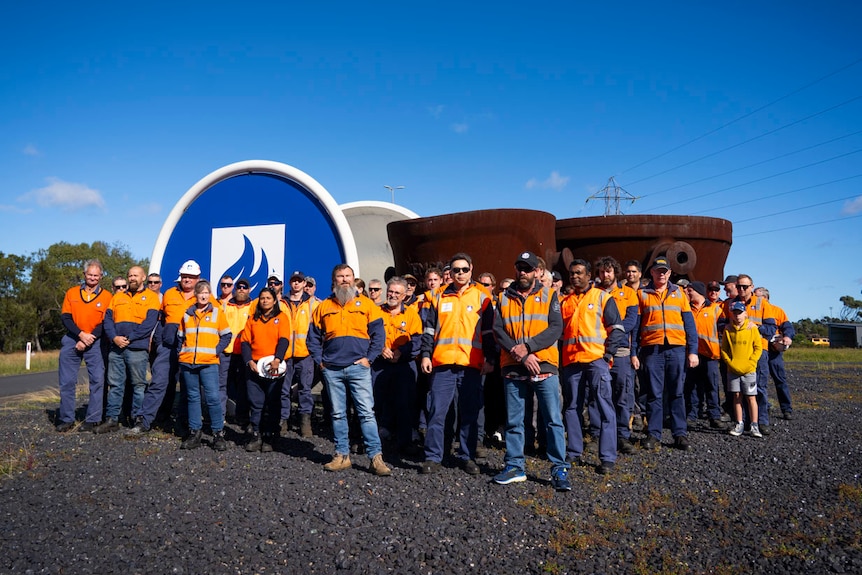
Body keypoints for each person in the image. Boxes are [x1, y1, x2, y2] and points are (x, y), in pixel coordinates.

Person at [492, 251, 570, 490]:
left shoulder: (549, 296)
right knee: (515, 421)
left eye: (527, 268)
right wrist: (522, 355)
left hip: (544, 364)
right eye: (519, 267)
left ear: (537, 271)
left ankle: (559, 468)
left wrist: (528, 347)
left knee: (553, 420)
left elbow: (556, 328)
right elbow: (498, 330)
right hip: (514, 366)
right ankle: (515, 466)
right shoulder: (504, 297)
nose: (522, 272)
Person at [307, 264, 391, 476]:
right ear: (333, 280)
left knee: (366, 414)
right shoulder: (323, 307)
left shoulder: (367, 305)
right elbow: (313, 339)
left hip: (358, 368)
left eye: (348, 276)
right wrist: (321, 362)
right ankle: (341, 456)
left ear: (354, 279)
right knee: (337, 414)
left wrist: (369, 359)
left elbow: (378, 335)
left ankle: (375, 458)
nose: (344, 280)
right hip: (332, 369)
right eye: (340, 277)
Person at [419, 253, 495, 476]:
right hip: (442, 364)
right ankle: (433, 457)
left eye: (464, 269)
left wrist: (490, 358)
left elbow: (489, 332)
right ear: (449, 273)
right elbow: (429, 330)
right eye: (456, 270)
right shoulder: (438, 296)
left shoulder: (483, 297)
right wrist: (425, 355)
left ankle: (467, 456)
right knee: (437, 412)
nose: (460, 273)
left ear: (471, 269)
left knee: (469, 413)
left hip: (471, 365)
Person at [560, 259, 625, 474]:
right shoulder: (565, 302)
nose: (574, 277)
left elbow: (616, 329)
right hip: (571, 362)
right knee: (572, 408)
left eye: (579, 273)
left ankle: (607, 457)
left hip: (596, 361)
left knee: (605, 407)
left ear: (589, 275)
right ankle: (574, 452)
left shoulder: (602, 298)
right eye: (571, 274)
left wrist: (607, 356)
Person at [635, 257, 699, 451]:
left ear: (669, 273)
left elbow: (690, 325)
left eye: (664, 271)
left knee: (677, 392)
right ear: (652, 273)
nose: (661, 274)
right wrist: (633, 353)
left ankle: (680, 434)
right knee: (654, 393)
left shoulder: (679, 294)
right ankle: (653, 434)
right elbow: (636, 327)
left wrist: (692, 351)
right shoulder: (642, 294)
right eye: (657, 270)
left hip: (676, 349)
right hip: (652, 350)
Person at [129, 260, 200, 435]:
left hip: (190, 347)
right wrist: (160, 340)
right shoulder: (169, 293)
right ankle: (144, 421)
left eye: (191, 277)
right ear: (180, 277)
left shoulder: (205, 296)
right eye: (185, 276)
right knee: (159, 382)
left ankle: (185, 423)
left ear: (198, 279)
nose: (187, 280)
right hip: (167, 345)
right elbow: (160, 319)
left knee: (187, 386)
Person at [95, 266, 160, 433]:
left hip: (137, 348)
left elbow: (149, 324)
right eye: (130, 275)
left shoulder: (152, 298)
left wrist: (130, 338)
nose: (132, 278)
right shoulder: (117, 298)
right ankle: (112, 419)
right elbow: (108, 320)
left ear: (143, 277)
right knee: (115, 385)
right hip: (116, 348)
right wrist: (114, 337)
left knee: (138, 385)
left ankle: (138, 419)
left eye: (136, 275)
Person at [56, 259, 112, 432]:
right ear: (84, 274)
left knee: (97, 380)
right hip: (73, 338)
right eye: (90, 274)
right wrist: (80, 335)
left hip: (95, 341)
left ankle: (93, 418)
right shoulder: (72, 293)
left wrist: (90, 338)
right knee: (67, 381)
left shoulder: (107, 296)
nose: (93, 278)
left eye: (96, 275)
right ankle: (66, 419)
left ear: (101, 276)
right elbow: (66, 317)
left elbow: (105, 322)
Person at [177, 280, 232, 450]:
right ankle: (195, 433)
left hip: (208, 363)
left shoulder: (217, 313)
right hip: (188, 363)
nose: (203, 295)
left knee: (213, 398)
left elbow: (227, 335)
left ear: (210, 295)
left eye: (206, 292)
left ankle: (218, 434)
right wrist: (182, 352)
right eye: (200, 292)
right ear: (196, 294)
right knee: (193, 398)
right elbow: (180, 336)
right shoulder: (186, 314)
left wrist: (215, 351)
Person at [592, 256, 639, 455]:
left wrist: (614, 333)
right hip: (598, 349)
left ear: (615, 272)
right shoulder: (593, 294)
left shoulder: (628, 294)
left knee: (622, 392)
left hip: (620, 349)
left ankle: (622, 435)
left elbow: (631, 321)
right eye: (602, 272)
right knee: (597, 393)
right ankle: (597, 435)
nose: (606, 275)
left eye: (609, 271)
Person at [373, 276, 422, 455]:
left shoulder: (411, 314)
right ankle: (373, 442)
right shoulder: (376, 311)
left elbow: (417, 339)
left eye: (396, 293)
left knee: (405, 404)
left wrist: (401, 351)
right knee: (374, 402)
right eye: (390, 291)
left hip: (403, 365)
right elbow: (367, 334)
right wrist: (380, 349)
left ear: (404, 295)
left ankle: (404, 442)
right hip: (380, 364)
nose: (392, 295)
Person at [240, 287, 292, 452]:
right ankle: (256, 435)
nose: (265, 301)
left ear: (274, 300)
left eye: (268, 298)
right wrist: (249, 360)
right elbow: (245, 342)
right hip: (255, 366)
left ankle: (270, 436)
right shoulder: (252, 319)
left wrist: (278, 359)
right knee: (256, 403)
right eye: (262, 298)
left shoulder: (281, 317)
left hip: (273, 366)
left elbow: (284, 339)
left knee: (273, 402)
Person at [683, 281, 728, 430]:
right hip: (692, 354)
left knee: (712, 386)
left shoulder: (716, 309)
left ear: (697, 291)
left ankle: (714, 416)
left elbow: (724, 327)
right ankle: (692, 415)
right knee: (692, 386)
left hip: (711, 355)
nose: (687, 293)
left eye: (689, 291)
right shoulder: (686, 309)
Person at [281, 270, 318, 438]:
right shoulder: (281, 303)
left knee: (305, 389)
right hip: (285, 354)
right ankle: (283, 420)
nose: (296, 284)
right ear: (290, 283)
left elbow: (319, 329)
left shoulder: (313, 304)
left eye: (299, 281)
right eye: (294, 281)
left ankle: (305, 422)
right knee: (283, 389)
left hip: (305, 353)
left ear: (305, 284)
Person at [721, 301, 763, 438]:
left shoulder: (752, 328)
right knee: (737, 396)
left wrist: (752, 362)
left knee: (751, 397)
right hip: (733, 369)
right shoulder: (728, 329)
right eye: (735, 313)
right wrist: (729, 362)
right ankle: (739, 423)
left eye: (740, 313)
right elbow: (724, 349)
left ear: (745, 313)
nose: (737, 316)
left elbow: (758, 347)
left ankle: (754, 425)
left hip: (749, 370)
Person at [755, 287, 796, 420]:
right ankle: (762, 408)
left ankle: (786, 409)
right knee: (758, 382)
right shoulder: (753, 310)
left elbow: (788, 327)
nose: (754, 299)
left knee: (780, 380)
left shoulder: (777, 311)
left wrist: (788, 337)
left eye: (757, 296)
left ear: (765, 298)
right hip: (759, 351)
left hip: (773, 352)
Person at [222, 278, 254, 429]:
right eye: (239, 287)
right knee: (223, 385)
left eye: (245, 287)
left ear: (249, 290)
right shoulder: (226, 305)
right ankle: (222, 414)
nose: (241, 289)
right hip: (226, 352)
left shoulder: (253, 307)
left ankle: (242, 416)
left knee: (244, 386)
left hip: (244, 354)